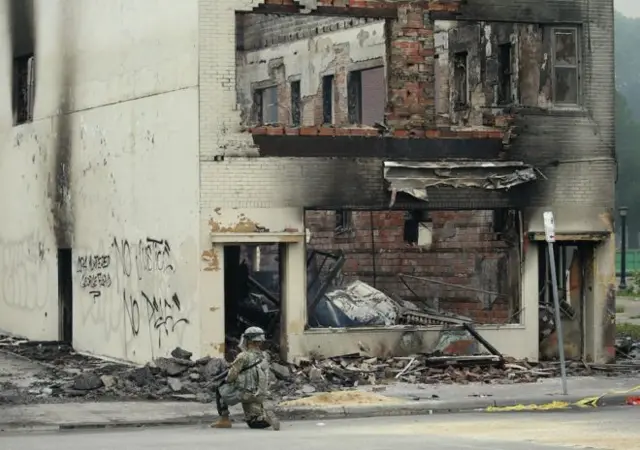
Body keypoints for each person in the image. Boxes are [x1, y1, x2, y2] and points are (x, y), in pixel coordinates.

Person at [211, 326, 280, 431]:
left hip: (243, 392)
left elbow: (232, 375)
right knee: (254, 423)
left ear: (248, 340)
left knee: (220, 389)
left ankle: (224, 419)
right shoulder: (264, 356)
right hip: (258, 394)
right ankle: (265, 418)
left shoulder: (243, 356)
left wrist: (227, 381)